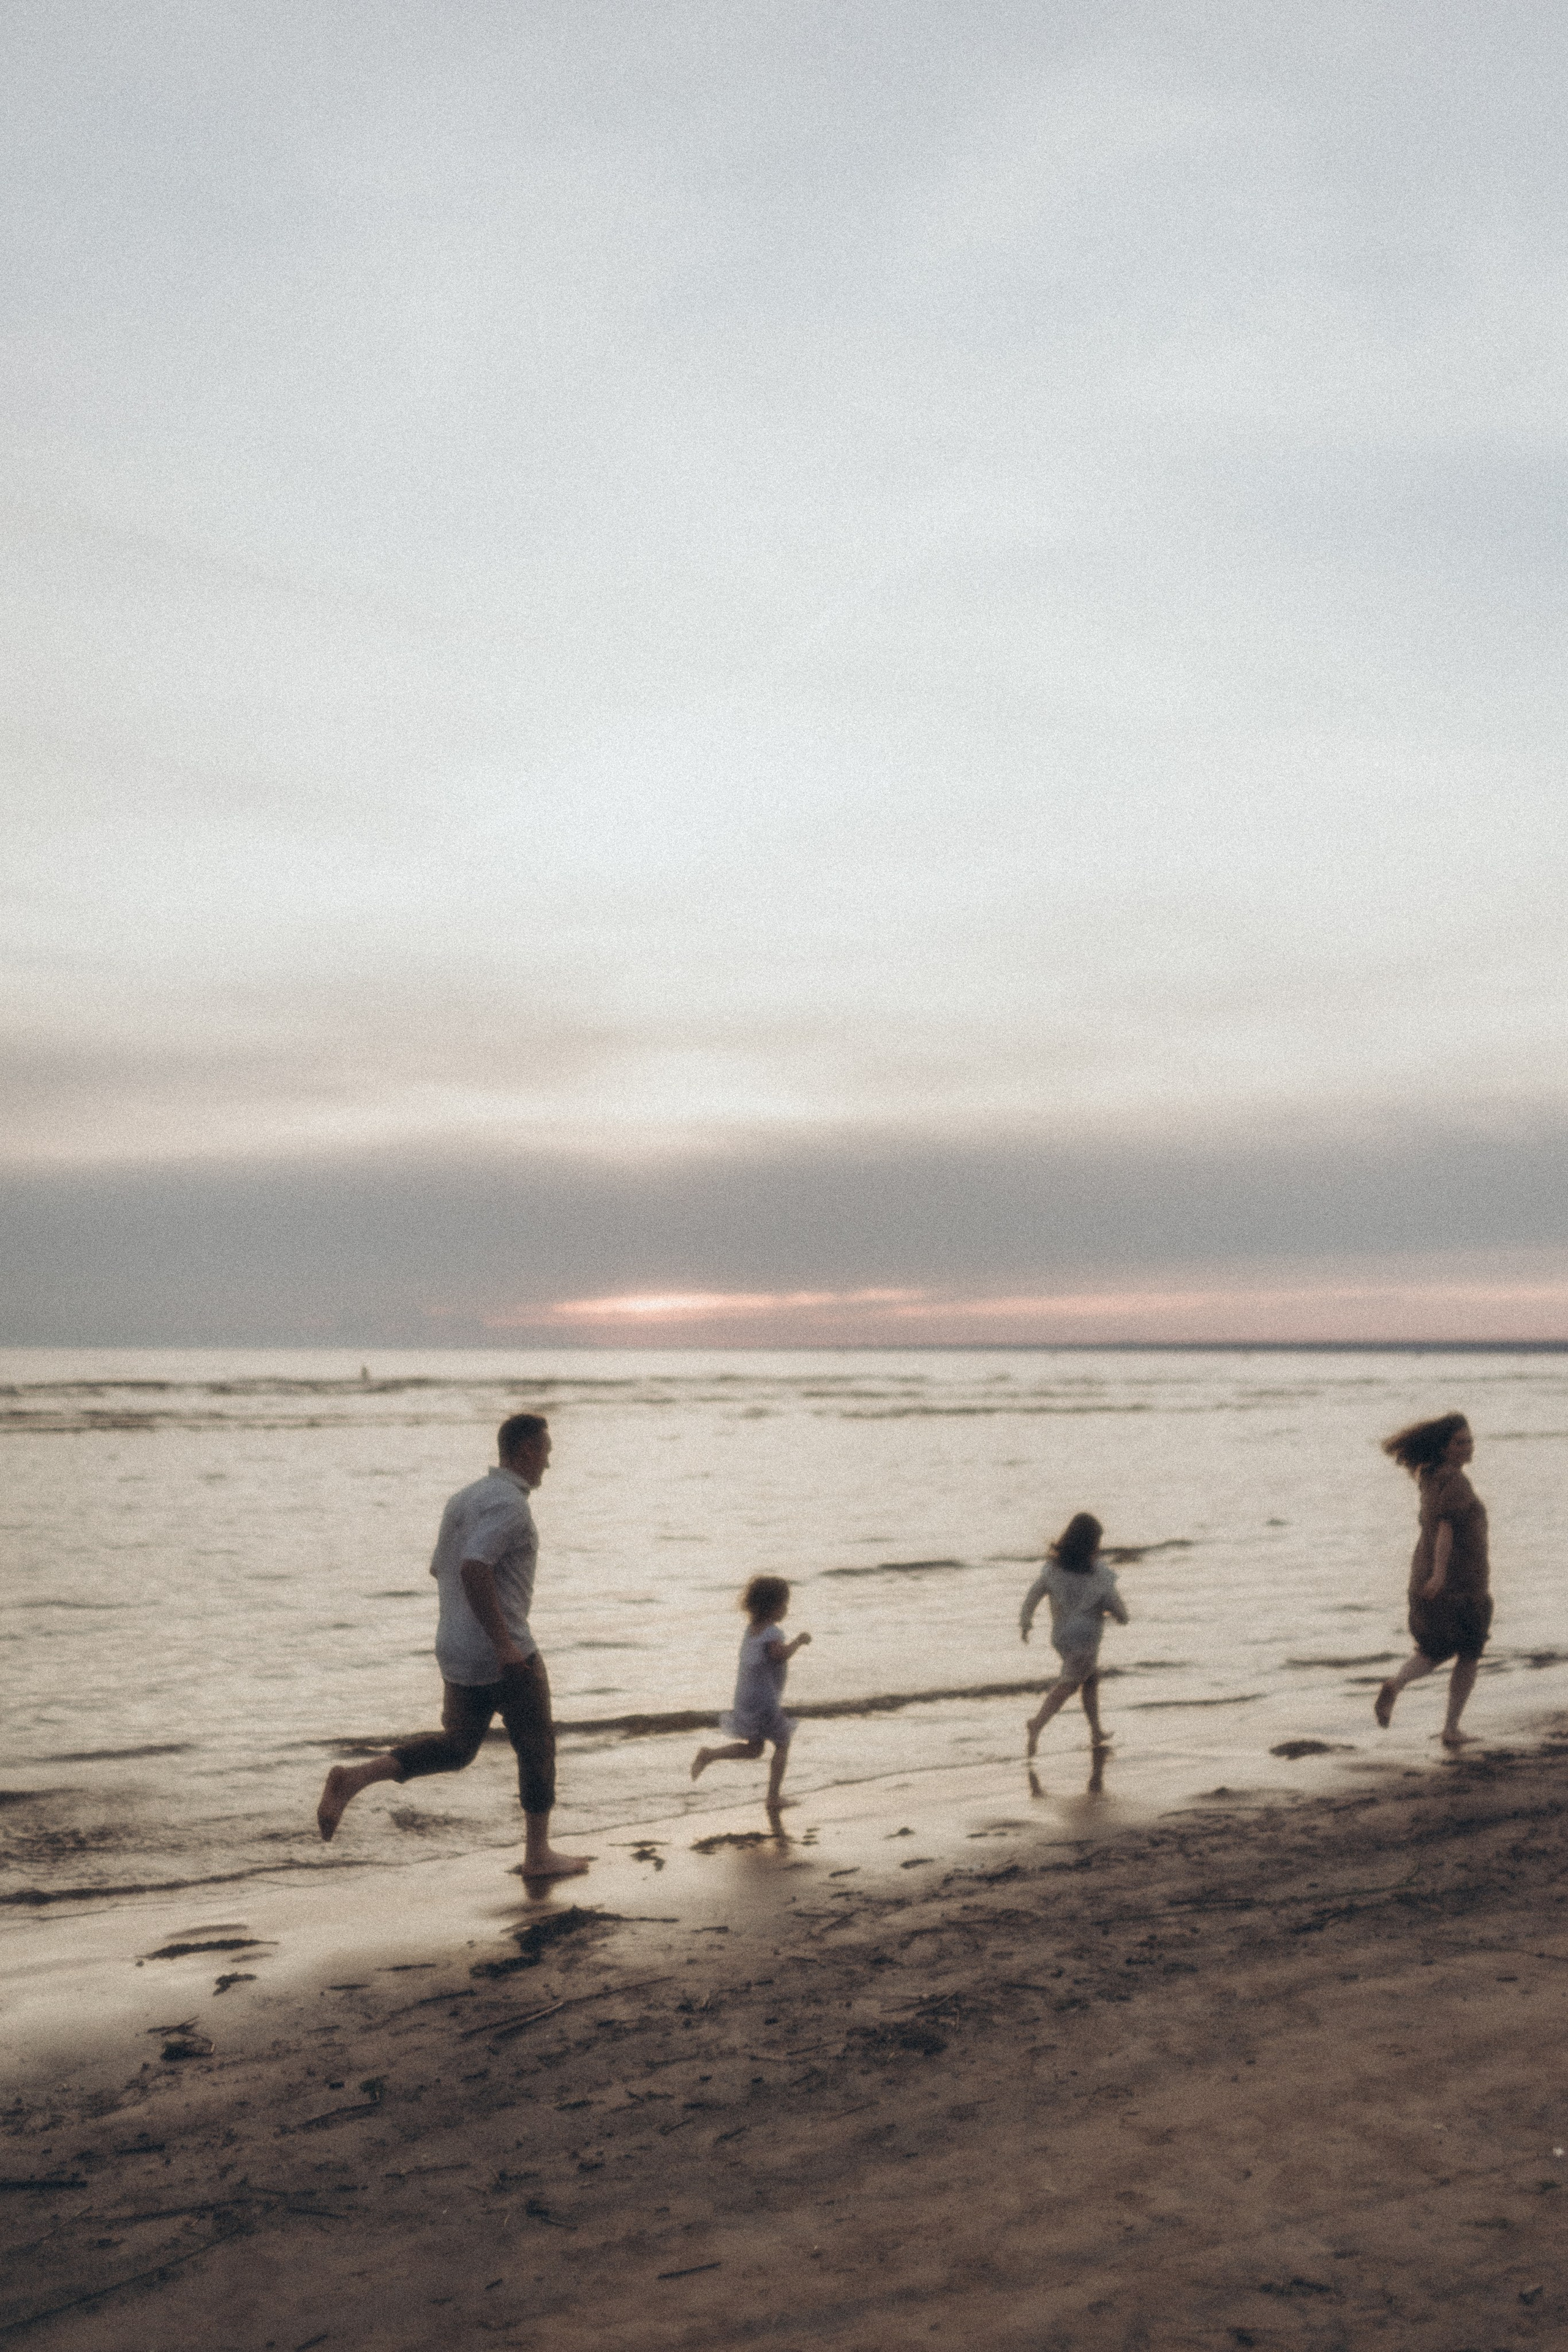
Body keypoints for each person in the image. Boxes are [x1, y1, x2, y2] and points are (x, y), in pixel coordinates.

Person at [315, 1414, 589, 1879]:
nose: (549, 1462)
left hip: (456, 1648)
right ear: (524, 1450)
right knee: (537, 1744)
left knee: (458, 1748)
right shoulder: (510, 1507)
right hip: (504, 1652)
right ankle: (538, 1854)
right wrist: (503, 1645)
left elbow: (440, 1569)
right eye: (545, 1451)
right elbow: (474, 1567)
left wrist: (470, 1629)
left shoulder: (463, 1499)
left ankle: (357, 1778)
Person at [1375, 1412, 1490, 1749]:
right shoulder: (1455, 1481)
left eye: (1470, 1440)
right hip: (1461, 1583)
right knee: (1469, 1652)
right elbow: (1446, 1527)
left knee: (1433, 1650)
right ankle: (1451, 1729)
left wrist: (1433, 1574)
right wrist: (1440, 1573)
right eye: (1460, 1442)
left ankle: (1396, 1684)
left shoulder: (1429, 1475)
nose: (1468, 1447)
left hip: (1426, 1576)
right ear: (1443, 1448)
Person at [690, 1575, 810, 1812]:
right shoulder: (773, 1633)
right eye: (784, 1605)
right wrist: (799, 1641)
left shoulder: (752, 1630)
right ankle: (773, 1798)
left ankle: (710, 1755)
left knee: (755, 1749)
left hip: (746, 1696)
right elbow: (780, 1655)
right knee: (783, 1743)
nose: (786, 1610)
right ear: (773, 1607)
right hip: (764, 1700)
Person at [1019, 1512, 1129, 1760]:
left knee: (1090, 1679)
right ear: (1091, 1545)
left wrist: (1026, 1623)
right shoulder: (1098, 1575)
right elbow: (1115, 1605)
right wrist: (1121, 1616)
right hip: (1086, 1638)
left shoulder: (1053, 1571)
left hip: (1061, 1636)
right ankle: (1037, 1723)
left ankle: (1096, 1731)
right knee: (1069, 1684)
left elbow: (1033, 1596)